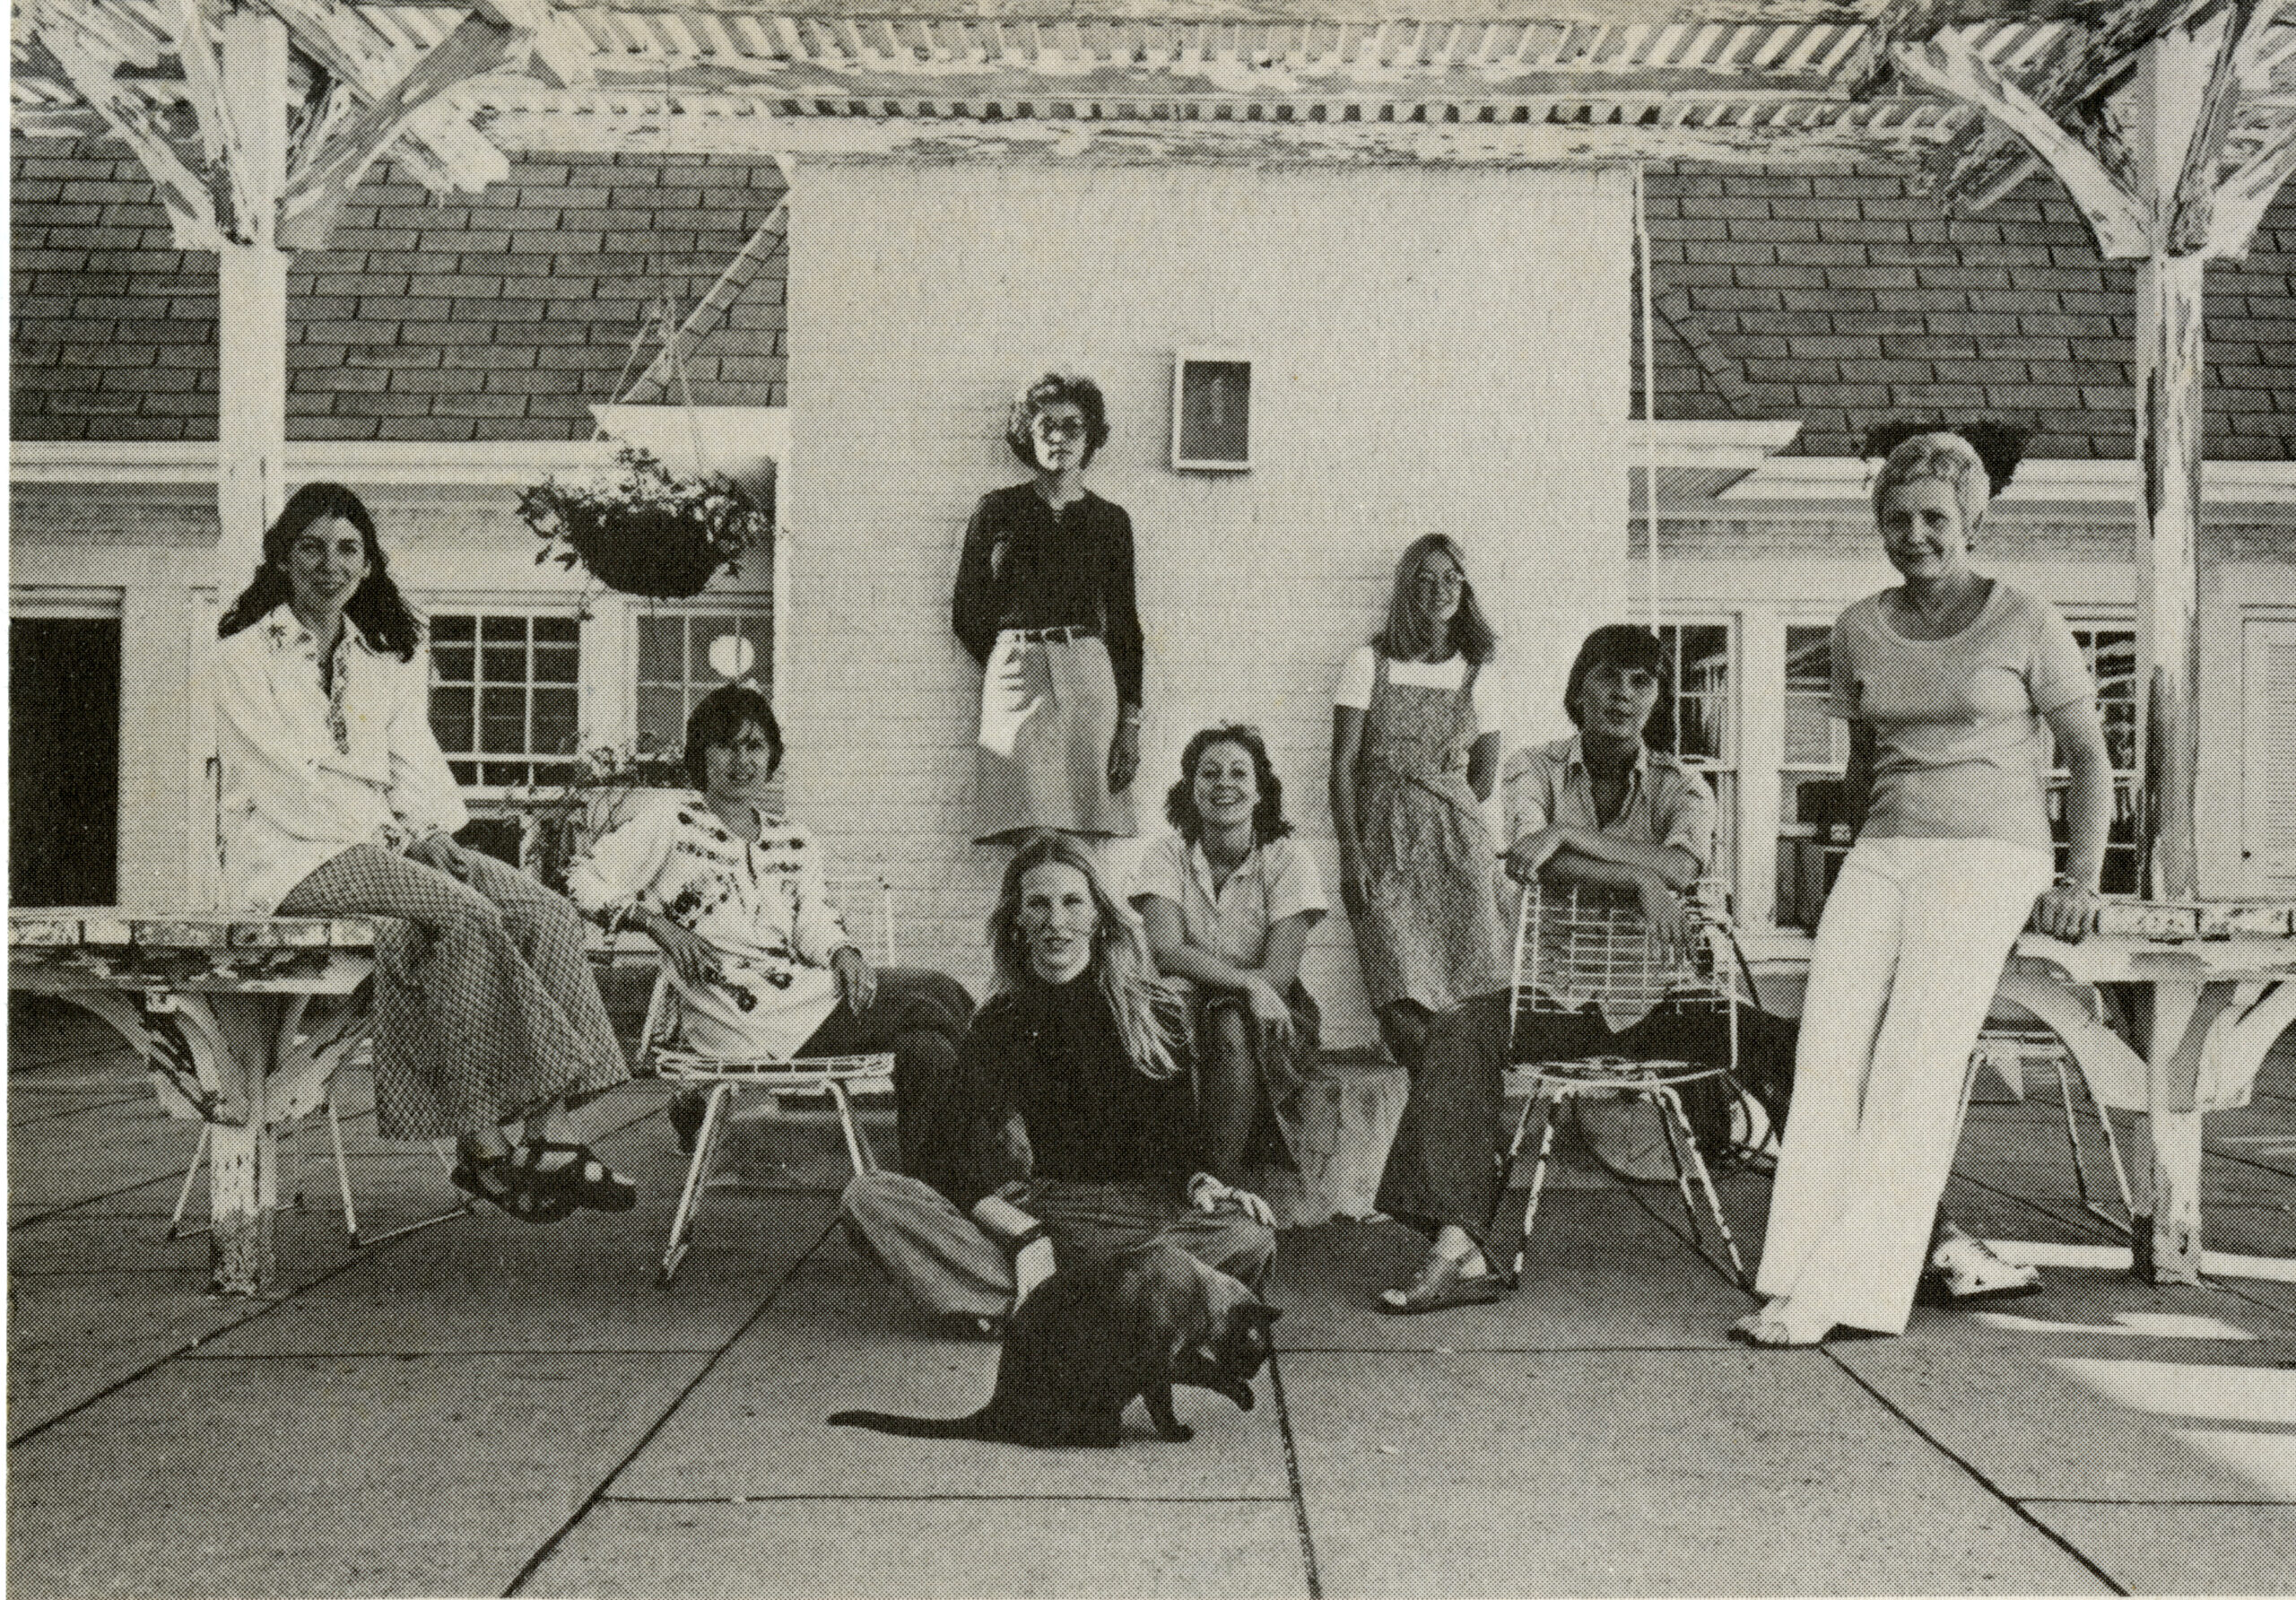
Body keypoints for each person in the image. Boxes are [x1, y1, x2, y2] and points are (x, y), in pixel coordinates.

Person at [1735, 431, 2109, 1347]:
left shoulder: (2026, 618)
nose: (1915, 535)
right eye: (1896, 519)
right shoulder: (1858, 625)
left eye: (1934, 517)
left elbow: (2090, 759)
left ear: (1971, 520)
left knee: (1914, 1062)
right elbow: (1862, 766)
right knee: (1827, 1050)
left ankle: (1851, 1291)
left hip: (1990, 853)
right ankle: (1797, 1269)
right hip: (1884, 850)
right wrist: (1840, 870)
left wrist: (2081, 879)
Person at [213, 483, 631, 1223]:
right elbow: (285, 784)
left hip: (383, 847)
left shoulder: (379, 659)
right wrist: (403, 842)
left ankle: (550, 1130)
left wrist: (431, 832)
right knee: (463, 915)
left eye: (348, 549)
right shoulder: (241, 658)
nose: (330, 565)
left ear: (368, 564)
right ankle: (481, 1139)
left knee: (545, 913)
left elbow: (414, 761)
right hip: (292, 858)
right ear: (282, 558)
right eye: (312, 547)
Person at [1371, 624, 1731, 1312]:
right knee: (1458, 1027)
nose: (1622, 695)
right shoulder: (1532, 767)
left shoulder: (1682, 785)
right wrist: (1636, 877)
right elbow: (1530, 858)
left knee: (1796, 1047)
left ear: (1656, 698)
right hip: (1556, 1001)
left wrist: (1567, 834)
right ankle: (1458, 1249)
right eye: (1607, 677)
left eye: (1641, 682)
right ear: (1579, 688)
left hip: (1656, 1003)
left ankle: (1887, 1234)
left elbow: (1682, 866)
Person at [840, 831, 1276, 1335]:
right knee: (870, 1195)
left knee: (1249, 1235)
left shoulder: (1154, 1012)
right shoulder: (998, 1021)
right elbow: (954, 1160)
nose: (1056, 922)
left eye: (1072, 902)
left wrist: (1205, 1185)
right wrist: (1025, 1236)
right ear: (1018, 921)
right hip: (1044, 1213)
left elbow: (1179, 1143)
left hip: (1141, 1217)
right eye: (1038, 905)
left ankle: (1046, 1302)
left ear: (1098, 917)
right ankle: (1119, 1301)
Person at [564, 685, 975, 1196]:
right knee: (935, 994)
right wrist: (656, 925)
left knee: (927, 1048)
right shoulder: (673, 824)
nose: (742, 761)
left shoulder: (792, 840)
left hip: (802, 999)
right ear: (702, 754)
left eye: (754, 746)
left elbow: (813, 920)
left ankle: (932, 1195)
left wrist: (843, 952)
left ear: (772, 754)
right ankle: (991, 1170)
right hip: (734, 1013)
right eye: (726, 745)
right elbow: (581, 878)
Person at [1329, 534, 1510, 1073]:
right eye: (1425, 580)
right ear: (1407, 589)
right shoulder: (1369, 663)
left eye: (1452, 578)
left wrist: (1438, 804)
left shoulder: (1479, 672)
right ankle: (1437, 1095)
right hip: (1384, 841)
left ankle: (1461, 1109)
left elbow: (1482, 779)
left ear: (1465, 589)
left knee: (1470, 995)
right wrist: (1351, 853)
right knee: (1398, 994)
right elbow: (1342, 767)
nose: (1440, 590)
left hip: (1458, 848)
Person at [952, 373, 1144, 843]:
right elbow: (967, 610)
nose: (1059, 438)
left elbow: (1124, 625)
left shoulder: (1111, 520)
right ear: (1028, 434)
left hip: (1088, 677)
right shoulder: (996, 509)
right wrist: (1012, 656)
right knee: (1028, 827)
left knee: (1083, 833)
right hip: (1017, 675)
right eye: (1047, 427)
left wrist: (1129, 722)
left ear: (1090, 435)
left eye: (1072, 426)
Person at [1134, 724, 1327, 1187]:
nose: (1224, 784)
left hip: (1271, 1006)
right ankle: (1167, 1178)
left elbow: (1277, 976)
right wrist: (1246, 981)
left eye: (1239, 773)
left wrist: (1251, 989)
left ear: (1260, 791)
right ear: (1191, 788)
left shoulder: (1288, 859)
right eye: (1210, 773)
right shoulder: (1166, 853)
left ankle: (1220, 1183)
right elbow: (1166, 952)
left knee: (1228, 1022)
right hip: (1186, 993)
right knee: (1162, 1011)